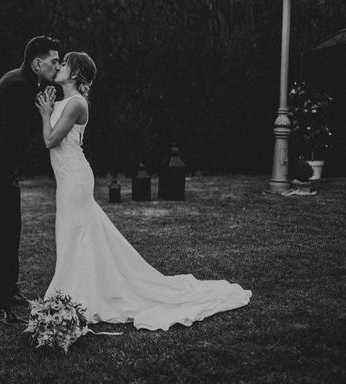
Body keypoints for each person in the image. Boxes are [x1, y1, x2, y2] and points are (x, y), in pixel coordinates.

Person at [35, 52, 252, 330]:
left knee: (76, 232)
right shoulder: (65, 101)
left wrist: (44, 114)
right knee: (71, 232)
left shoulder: (77, 103)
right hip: (67, 179)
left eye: (64, 63)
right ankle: (77, 289)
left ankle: (77, 293)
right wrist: (50, 108)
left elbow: (51, 140)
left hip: (75, 178)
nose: (60, 66)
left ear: (75, 73)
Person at [0, 35, 61, 324]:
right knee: (0, 238)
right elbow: (13, 136)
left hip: (4, 173)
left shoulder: (23, 81)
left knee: (12, 232)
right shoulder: (18, 87)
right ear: (37, 63)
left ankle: (11, 289)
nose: (57, 66)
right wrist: (42, 112)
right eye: (54, 61)